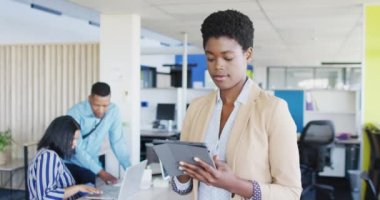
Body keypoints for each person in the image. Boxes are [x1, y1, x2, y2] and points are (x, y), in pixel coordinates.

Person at [172, 10, 302, 200]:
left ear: (248, 54)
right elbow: (183, 188)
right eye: (210, 58)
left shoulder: (272, 110)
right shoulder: (196, 108)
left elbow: (290, 193)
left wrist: (234, 184)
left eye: (228, 57)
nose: (218, 66)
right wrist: (183, 175)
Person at [65, 82, 130, 185]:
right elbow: (77, 148)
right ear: (90, 98)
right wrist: (101, 172)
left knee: (90, 195)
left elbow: (118, 142)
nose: (101, 110)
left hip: (92, 165)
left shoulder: (113, 111)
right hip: (71, 164)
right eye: (96, 105)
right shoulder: (75, 113)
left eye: (105, 105)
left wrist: (129, 168)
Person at [28, 115, 101, 200]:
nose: (75, 144)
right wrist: (78, 188)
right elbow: (46, 196)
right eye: (73, 139)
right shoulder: (48, 156)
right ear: (61, 137)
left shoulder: (52, 156)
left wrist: (84, 189)